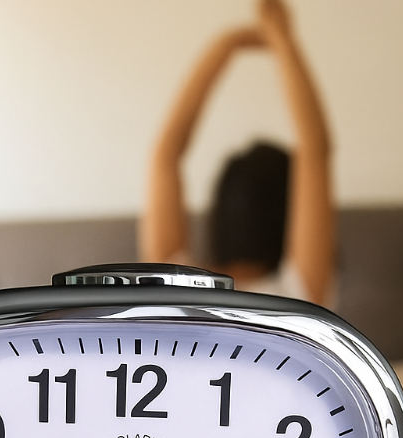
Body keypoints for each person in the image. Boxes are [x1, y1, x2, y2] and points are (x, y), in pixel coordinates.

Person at [141, 0, 334, 306]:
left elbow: (166, 157)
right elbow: (315, 151)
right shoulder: (297, 295)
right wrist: (283, 40)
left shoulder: (174, 285)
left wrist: (224, 47)